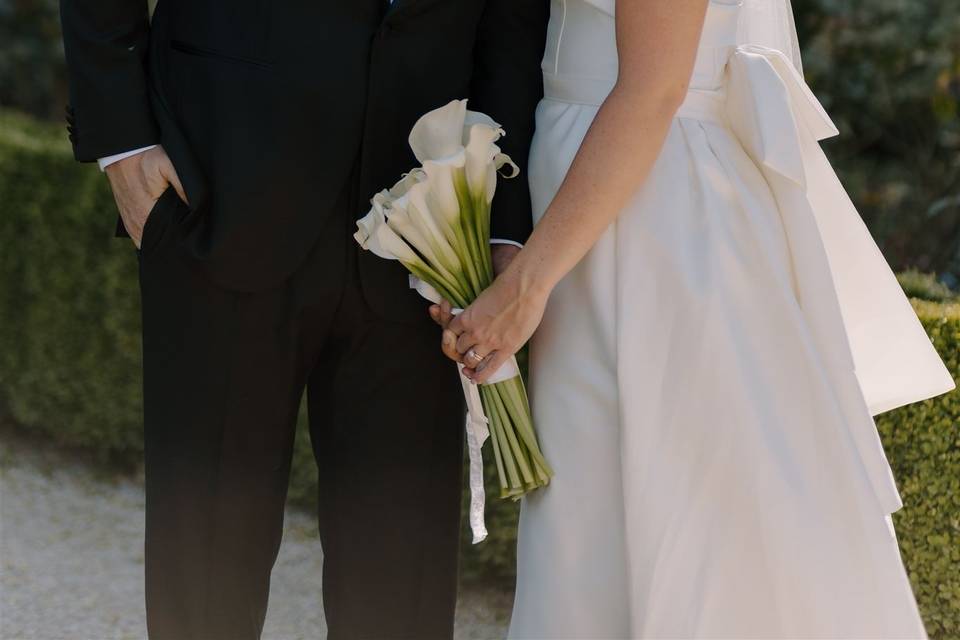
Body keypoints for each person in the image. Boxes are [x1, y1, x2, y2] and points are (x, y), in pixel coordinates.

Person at [434, 0, 955, 637]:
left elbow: (654, 88)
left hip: (652, 213)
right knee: (595, 522)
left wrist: (528, 285)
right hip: (587, 198)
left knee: (688, 520)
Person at [58, 1, 549, 638]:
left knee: (401, 578)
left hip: (425, 212)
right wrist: (122, 141)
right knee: (205, 565)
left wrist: (502, 217)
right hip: (220, 183)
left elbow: (515, 21)